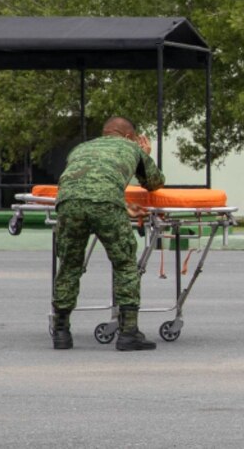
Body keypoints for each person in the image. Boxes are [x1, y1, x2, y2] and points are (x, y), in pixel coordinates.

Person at [50, 117, 164, 351]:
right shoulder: (132, 147)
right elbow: (154, 182)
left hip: (68, 203)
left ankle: (61, 332)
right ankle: (128, 333)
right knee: (125, 265)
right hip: (107, 204)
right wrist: (145, 154)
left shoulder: (81, 147)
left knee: (69, 265)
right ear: (129, 136)